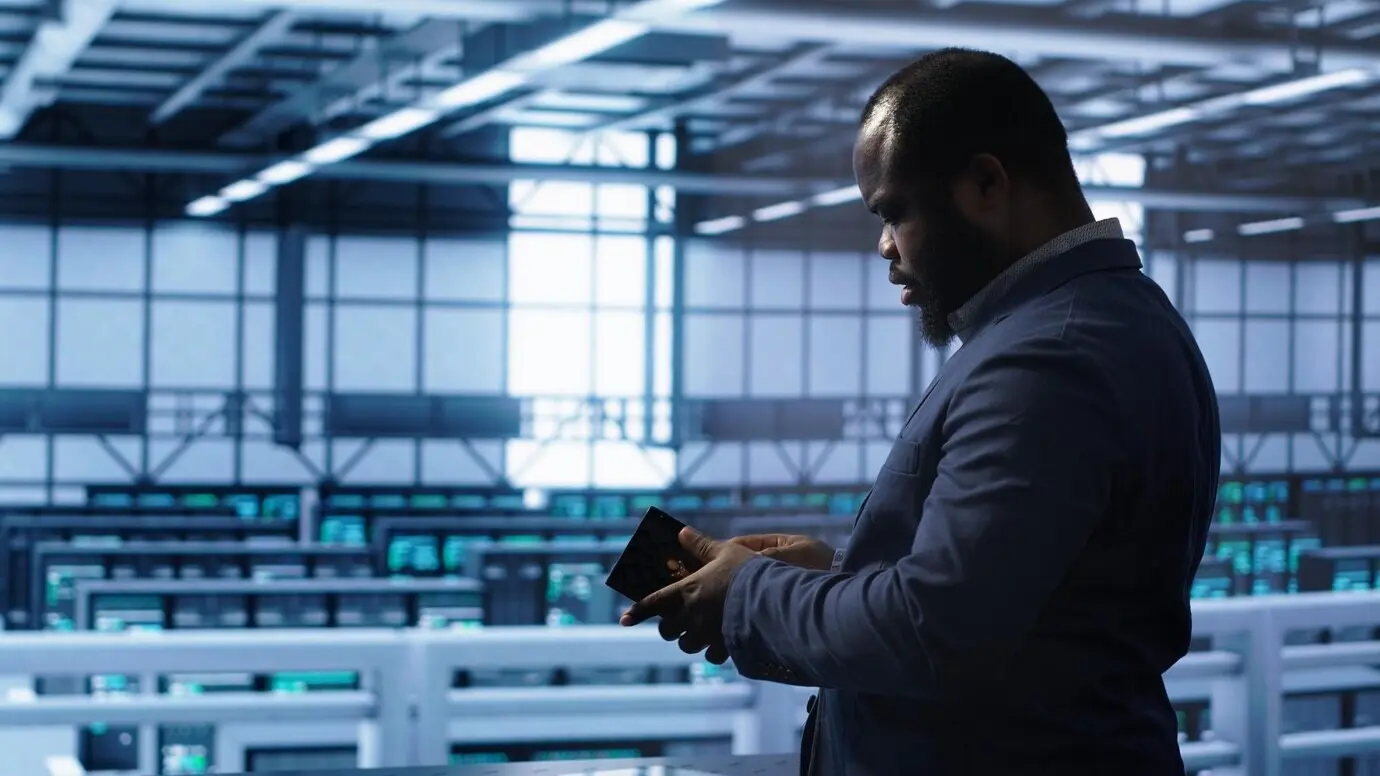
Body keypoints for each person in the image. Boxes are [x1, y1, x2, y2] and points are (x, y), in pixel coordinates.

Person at [621, 47, 1220, 776]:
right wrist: (833, 580)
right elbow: (1021, 605)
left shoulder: (1048, 360)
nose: (883, 246)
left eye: (893, 211)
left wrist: (749, 595)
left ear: (986, 183)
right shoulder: (1100, 321)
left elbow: (937, 628)